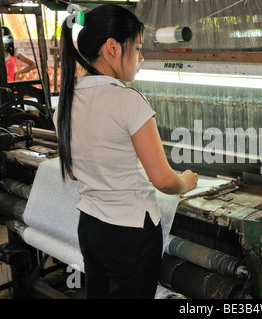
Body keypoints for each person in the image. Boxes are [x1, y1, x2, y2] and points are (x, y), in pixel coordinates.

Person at [54, 4, 198, 299]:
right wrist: (185, 181)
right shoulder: (128, 101)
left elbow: (73, 169)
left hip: (91, 227)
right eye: (137, 47)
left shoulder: (65, 103)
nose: (140, 57)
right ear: (113, 48)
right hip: (130, 233)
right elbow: (162, 180)